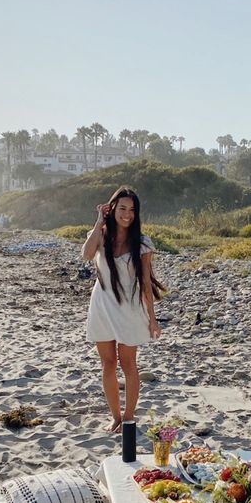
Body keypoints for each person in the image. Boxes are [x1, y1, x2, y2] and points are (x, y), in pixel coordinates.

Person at [82, 186, 163, 433]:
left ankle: (129, 417)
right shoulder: (100, 236)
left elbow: (147, 284)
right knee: (107, 363)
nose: (127, 214)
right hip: (102, 305)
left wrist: (152, 319)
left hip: (129, 307)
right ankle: (115, 416)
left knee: (128, 364)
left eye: (132, 210)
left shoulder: (141, 243)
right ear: (112, 208)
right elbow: (86, 255)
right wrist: (98, 222)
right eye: (122, 208)